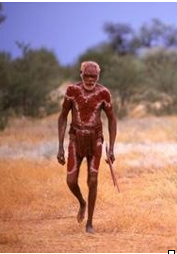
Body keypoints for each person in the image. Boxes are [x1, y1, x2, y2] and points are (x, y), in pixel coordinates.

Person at [57, 61, 117, 233]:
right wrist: (60, 146)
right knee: (70, 181)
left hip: (95, 140)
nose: (90, 80)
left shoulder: (103, 93)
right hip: (75, 139)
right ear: (80, 73)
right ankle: (82, 202)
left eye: (94, 76)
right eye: (87, 75)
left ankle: (89, 223)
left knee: (93, 180)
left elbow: (112, 119)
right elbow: (63, 117)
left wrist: (111, 148)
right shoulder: (72, 91)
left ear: (98, 76)